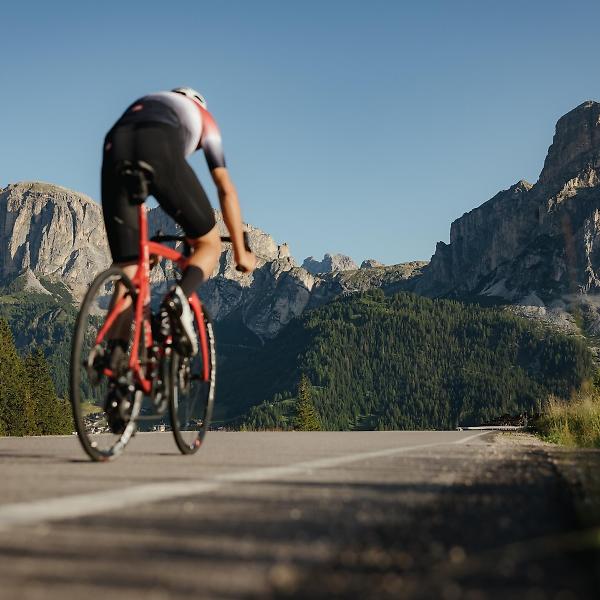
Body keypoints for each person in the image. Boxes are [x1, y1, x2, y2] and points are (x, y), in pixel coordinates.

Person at [101, 87, 256, 357]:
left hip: (114, 146)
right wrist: (240, 251)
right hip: (158, 147)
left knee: (129, 267)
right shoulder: (204, 118)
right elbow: (224, 186)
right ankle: (178, 301)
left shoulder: (149, 101)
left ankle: (113, 359)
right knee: (209, 244)